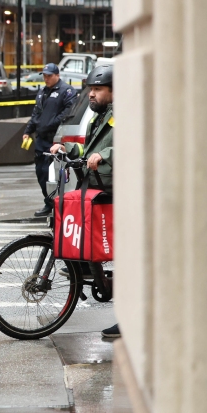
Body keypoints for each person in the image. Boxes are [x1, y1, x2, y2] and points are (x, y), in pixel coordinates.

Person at [49, 63, 116, 338]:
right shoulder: (99, 117)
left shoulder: (126, 114)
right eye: (91, 89)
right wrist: (68, 148)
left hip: (118, 187)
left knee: (127, 254)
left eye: (98, 89)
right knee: (68, 209)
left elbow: (130, 142)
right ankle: (86, 268)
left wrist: (106, 154)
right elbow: (89, 149)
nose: (92, 94)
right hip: (100, 186)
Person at [23, 63, 77, 217]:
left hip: (55, 139)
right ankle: (49, 203)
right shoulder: (42, 92)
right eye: (44, 76)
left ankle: (57, 205)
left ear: (57, 75)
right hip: (41, 140)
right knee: (41, 173)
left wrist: (49, 124)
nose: (46, 78)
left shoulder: (66, 91)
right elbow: (36, 113)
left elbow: (68, 112)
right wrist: (28, 130)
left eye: (49, 76)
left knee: (52, 175)